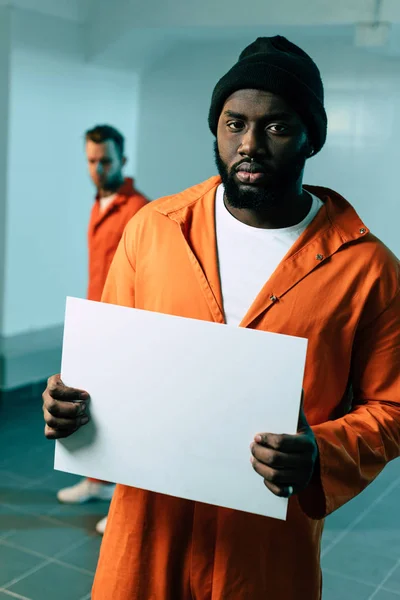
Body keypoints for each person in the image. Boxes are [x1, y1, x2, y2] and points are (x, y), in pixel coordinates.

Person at [42, 36, 400, 599]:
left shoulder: (367, 269)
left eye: (277, 127)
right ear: (217, 127)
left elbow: (392, 408)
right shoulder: (154, 230)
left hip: (262, 550)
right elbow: (100, 370)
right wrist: (68, 402)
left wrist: (322, 452)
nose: (249, 144)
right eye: (234, 123)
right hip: (146, 536)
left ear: (312, 139)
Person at [56, 124, 148, 536]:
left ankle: (130, 507)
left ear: (122, 161)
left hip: (125, 327)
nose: (97, 168)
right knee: (97, 412)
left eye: (105, 160)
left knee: (128, 419)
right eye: (91, 161)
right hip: (96, 321)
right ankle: (97, 482)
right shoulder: (99, 203)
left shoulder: (139, 210)